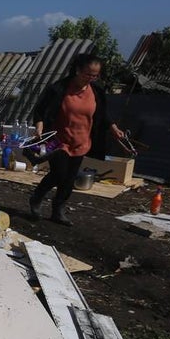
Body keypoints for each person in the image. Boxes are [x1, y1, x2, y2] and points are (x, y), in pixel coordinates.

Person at [28, 53, 125, 225]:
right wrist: (39, 128)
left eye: (95, 75)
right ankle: (37, 197)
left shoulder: (96, 91)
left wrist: (114, 128)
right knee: (59, 174)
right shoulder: (59, 88)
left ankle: (58, 210)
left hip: (81, 142)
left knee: (69, 179)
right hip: (58, 141)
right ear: (78, 70)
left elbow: (103, 115)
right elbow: (41, 111)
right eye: (88, 74)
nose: (91, 78)